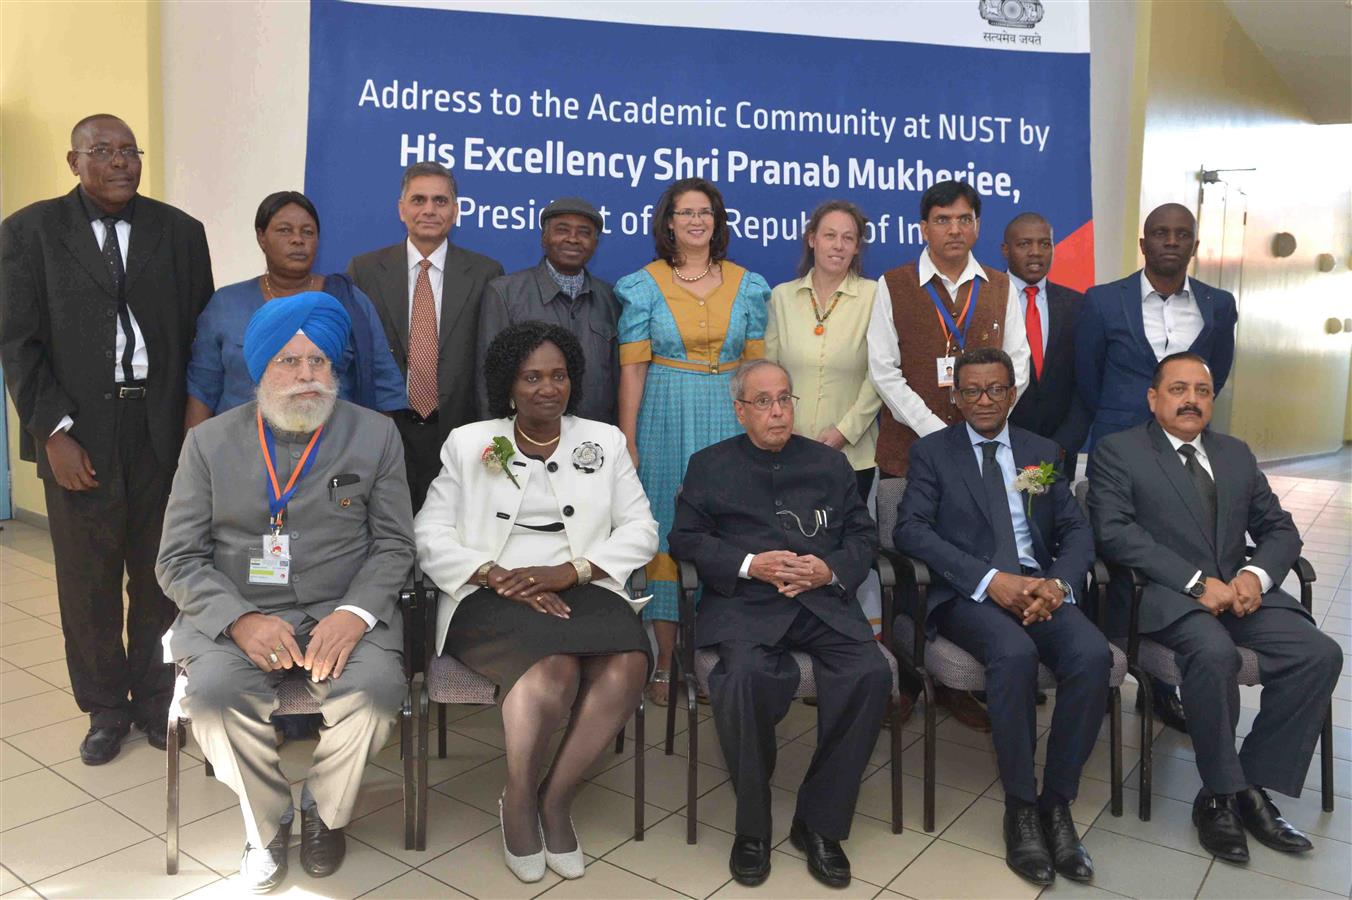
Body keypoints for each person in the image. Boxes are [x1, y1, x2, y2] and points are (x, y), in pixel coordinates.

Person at [156, 293, 414, 892]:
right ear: (260, 369)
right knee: (215, 698)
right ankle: (267, 823)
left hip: (341, 609)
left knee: (377, 693)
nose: (306, 376)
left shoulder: (375, 436)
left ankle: (325, 811)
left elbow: (397, 545)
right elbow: (176, 558)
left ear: (336, 369)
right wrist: (239, 621)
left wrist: (354, 615)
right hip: (237, 613)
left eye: (319, 362)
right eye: (289, 362)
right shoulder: (208, 444)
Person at [0, 114, 214, 764]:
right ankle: (104, 708)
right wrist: (53, 432)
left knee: (159, 575)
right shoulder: (29, 232)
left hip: (161, 432)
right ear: (74, 161)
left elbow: (200, 339)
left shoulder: (179, 232)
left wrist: (194, 431)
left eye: (129, 151)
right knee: (87, 580)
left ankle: (155, 701)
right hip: (78, 433)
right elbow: (18, 341)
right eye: (103, 152)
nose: (120, 162)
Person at [415, 322, 657, 883]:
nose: (548, 388)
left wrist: (567, 572)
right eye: (532, 378)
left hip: (583, 582)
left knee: (629, 664)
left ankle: (556, 798)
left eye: (558, 376)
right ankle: (519, 798)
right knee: (551, 671)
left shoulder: (605, 440)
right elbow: (429, 532)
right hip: (487, 590)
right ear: (509, 386)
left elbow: (642, 529)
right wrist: (494, 573)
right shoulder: (469, 442)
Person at [1088, 352, 1340, 865]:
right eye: (1178, 389)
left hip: (1241, 593)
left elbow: (1279, 529)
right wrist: (1196, 582)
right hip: (1160, 595)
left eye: (1201, 392)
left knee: (1319, 652)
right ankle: (1220, 796)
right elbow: (1114, 534)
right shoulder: (1119, 451)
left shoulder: (1234, 454)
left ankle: (1250, 784)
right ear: (1153, 399)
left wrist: (1256, 575)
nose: (1191, 400)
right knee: (1214, 653)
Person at [668, 359, 889, 889]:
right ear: (740, 410)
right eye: (763, 402)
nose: (777, 412)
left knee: (870, 673)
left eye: (785, 399)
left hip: (820, 602)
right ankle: (753, 827)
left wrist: (828, 569)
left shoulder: (829, 465)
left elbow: (863, 536)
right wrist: (752, 565)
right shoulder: (709, 465)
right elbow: (685, 540)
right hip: (748, 603)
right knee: (742, 679)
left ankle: (820, 823)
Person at [895, 347, 1107, 886]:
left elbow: (1075, 531)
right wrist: (993, 581)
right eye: (971, 391)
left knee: (1092, 655)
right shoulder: (932, 454)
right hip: (969, 594)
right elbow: (912, 530)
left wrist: (1057, 584)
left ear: (1013, 394)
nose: (984, 401)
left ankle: (1055, 804)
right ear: (955, 397)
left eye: (995, 390)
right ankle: (1019, 807)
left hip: (1040, 587)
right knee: (1014, 654)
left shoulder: (1041, 451)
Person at [866, 179, 1031, 730]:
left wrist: (987, 419)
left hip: (986, 450)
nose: (954, 230)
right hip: (911, 452)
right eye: (942, 220)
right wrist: (941, 433)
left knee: (972, 551)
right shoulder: (893, 284)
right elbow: (885, 371)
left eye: (964, 220)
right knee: (911, 567)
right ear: (924, 228)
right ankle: (910, 677)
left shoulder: (1002, 287)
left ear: (978, 227)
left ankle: (959, 677)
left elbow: (1019, 364)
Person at [1076, 202, 1238, 733]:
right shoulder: (1102, 302)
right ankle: (1100, 665)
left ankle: (1161, 686)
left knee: (1177, 549)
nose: (1171, 241)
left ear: (1194, 245)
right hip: (1119, 448)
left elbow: (1217, 375)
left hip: (1184, 449)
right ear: (1143, 244)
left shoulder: (1218, 305)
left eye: (1182, 234)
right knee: (1111, 556)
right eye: (1160, 233)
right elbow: (1087, 377)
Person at [615, 177, 771, 707]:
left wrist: (758, 425)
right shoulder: (641, 285)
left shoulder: (749, 284)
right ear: (669, 223)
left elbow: (754, 368)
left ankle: (716, 657)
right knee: (664, 528)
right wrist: (628, 439)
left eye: (705, 212)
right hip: (663, 415)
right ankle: (663, 663)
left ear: (718, 222)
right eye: (685, 213)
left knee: (730, 530)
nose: (696, 221)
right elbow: (633, 370)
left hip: (730, 416)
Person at [348, 161, 504, 510]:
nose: (429, 210)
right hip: (387, 429)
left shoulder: (486, 273)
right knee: (389, 533)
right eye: (418, 200)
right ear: (401, 209)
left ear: (456, 210)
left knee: (452, 537)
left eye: (440, 201)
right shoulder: (365, 270)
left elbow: (491, 359)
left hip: (458, 431)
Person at [185, 191, 406, 425]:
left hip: (334, 452)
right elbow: (202, 389)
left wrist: (373, 452)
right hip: (242, 451)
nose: (297, 239)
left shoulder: (348, 301)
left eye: (307, 232)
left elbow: (385, 388)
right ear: (261, 237)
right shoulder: (227, 304)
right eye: (284, 230)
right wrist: (194, 455)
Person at [765, 199, 881, 501]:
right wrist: (784, 430)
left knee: (843, 543)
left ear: (857, 247)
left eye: (848, 238)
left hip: (853, 455)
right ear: (812, 239)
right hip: (787, 447)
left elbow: (880, 375)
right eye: (830, 235)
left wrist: (844, 431)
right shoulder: (781, 297)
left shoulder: (876, 296)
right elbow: (767, 372)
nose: (838, 245)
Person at [476, 197, 619, 423]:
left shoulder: (611, 299)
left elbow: (619, 380)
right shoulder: (505, 293)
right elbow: (489, 380)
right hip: (524, 437)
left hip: (595, 441)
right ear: (544, 238)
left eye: (584, 232)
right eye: (562, 230)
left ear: (595, 243)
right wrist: (498, 444)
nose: (573, 239)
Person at [1001, 212, 1091, 475]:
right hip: (1000, 449)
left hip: (1059, 453)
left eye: (1044, 244)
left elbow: (1085, 385)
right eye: (1024, 244)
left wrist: (1063, 446)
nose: (1036, 252)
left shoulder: (1079, 305)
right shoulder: (987, 300)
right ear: (1005, 250)